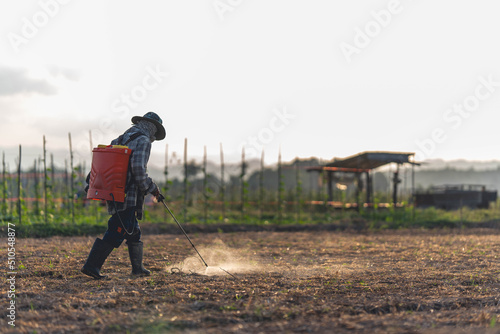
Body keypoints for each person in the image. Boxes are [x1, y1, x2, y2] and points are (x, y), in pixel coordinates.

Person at [81, 112, 165, 279]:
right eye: (155, 131)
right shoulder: (143, 141)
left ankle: (138, 269)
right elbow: (139, 172)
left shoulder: (120, 139)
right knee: (118, 229)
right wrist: (152, 188)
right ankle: (92, 266)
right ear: (153, 128)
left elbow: (103, 163)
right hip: (129, 194)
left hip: (114, 191)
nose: (155, 136)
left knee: (132, 230)